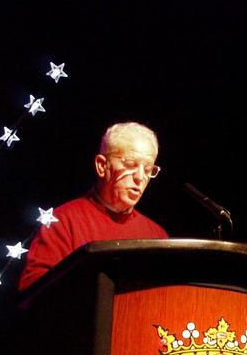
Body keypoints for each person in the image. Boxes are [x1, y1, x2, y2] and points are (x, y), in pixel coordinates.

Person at [19, 121, 168, 291]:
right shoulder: (62, 221)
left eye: (148, 170)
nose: (140, 177)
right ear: (102, 166)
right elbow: (34, 290)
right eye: (130, 164)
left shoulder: (157, 235)